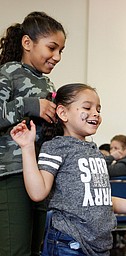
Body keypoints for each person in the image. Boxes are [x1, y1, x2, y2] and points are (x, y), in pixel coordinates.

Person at [10, 83, 126, 256]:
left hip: (100, 246)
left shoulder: (95, 153)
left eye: (98, 109)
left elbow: (103, 201)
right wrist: (27, 147)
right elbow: (38, 192)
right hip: (68, 244)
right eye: (87, 107)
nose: (96, 113)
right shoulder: (57, 147)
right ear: (62, 113)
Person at [0, 11, 66, 256]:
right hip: (13, 173)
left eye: (61, 51)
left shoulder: (47, 84)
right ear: (27, 43)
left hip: (40, 175)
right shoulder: (8, 72)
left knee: (35, 248)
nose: (57, 57)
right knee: (15, 250)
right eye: (52, 48)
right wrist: (30, 105)